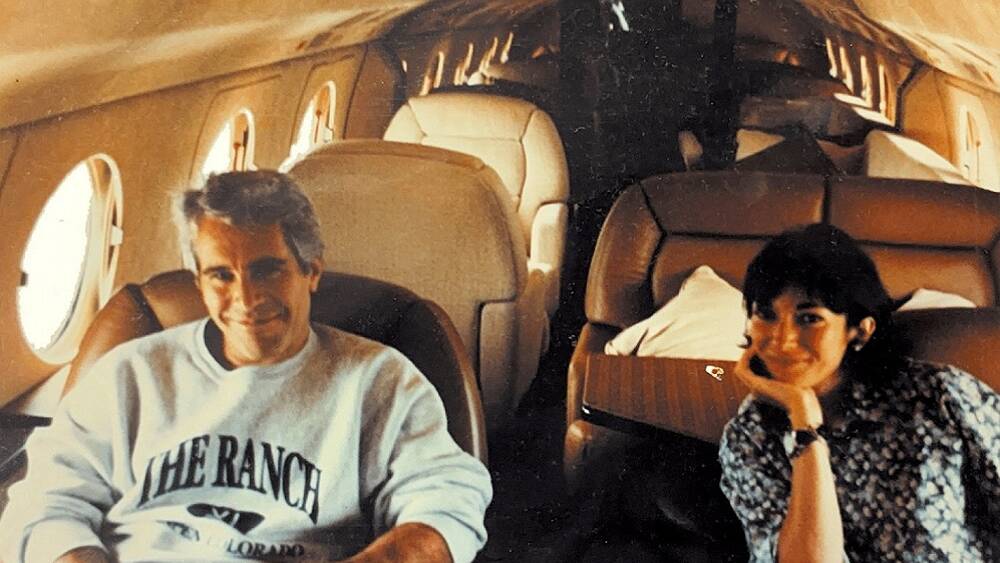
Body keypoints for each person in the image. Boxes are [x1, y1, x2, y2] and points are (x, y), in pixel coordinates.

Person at [0, 171, 492, 563]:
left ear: (311, 270)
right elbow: (44, 502)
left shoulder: (379, 380)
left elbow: (447, 504)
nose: (246, 298)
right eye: (221, 275)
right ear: (198, 282)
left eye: (267, 269)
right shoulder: (130, 373)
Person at [718, 223, 999, 562]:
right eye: (766, 314)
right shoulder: (749, 436)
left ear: (860, 331)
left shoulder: (939, 396)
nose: (782, 340)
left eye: (808, 318)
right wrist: (805, 425)